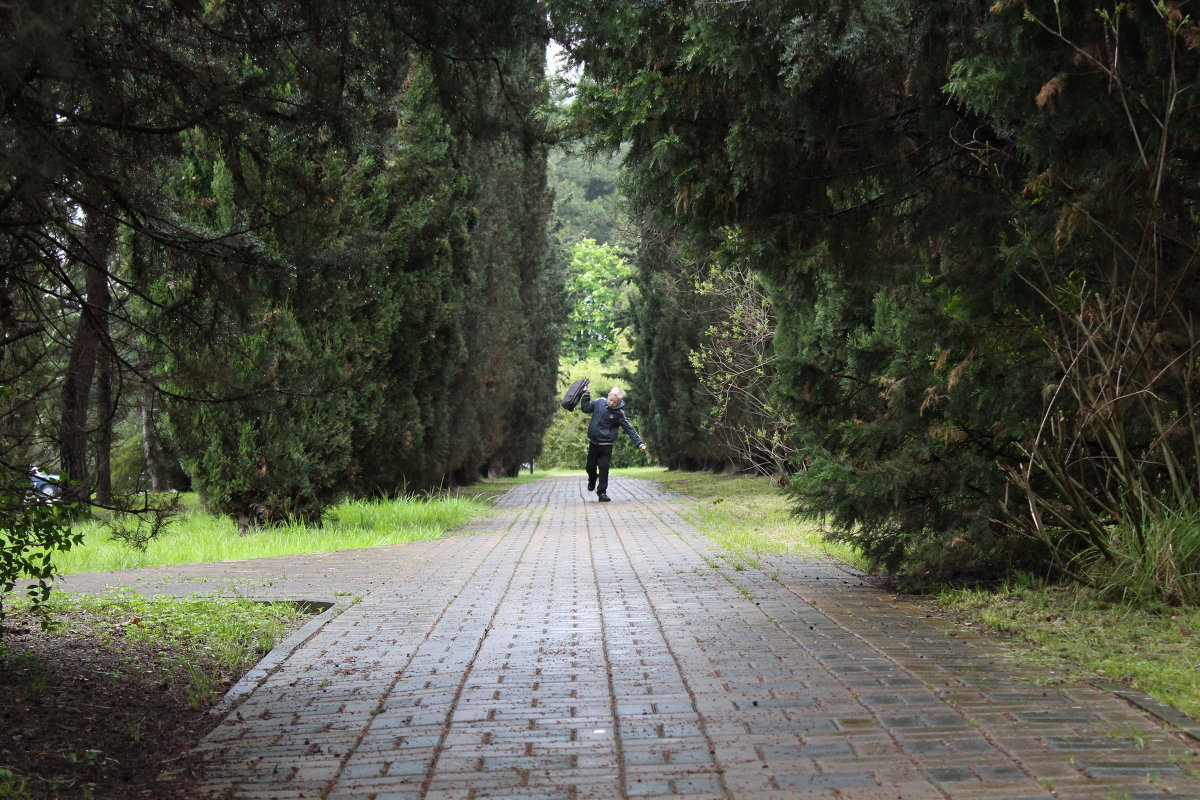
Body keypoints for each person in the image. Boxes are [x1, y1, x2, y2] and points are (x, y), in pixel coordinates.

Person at [580, 386, 647, 502]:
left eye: (614, 402)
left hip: (606, 445)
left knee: (604, 468)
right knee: (590, 467)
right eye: (610, 400)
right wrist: (586, 395)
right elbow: (586, 409)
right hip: (594, 443)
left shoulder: (619, 414)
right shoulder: (599, 402)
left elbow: (629, 429)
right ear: (608, 396)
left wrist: (639, 443)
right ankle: (592, 478)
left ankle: (602, 492)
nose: (611, 403)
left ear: (619, 402)